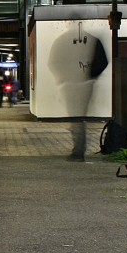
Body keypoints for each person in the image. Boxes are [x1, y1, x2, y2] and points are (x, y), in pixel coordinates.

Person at [48, 25, 106, 159]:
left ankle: (78, 151)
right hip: (86, 85)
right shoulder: (93, 39)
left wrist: (64, 78)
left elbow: (53, 62)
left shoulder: (61, 40)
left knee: (76, 117)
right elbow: (102, 62)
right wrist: (91, 77)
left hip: (70, 85)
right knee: (80, 117)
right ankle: (79, 149)